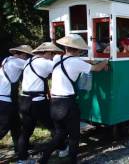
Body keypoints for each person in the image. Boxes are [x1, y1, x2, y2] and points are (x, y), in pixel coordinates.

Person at [38, 34, 107, 164]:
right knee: (74, 136)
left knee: (59, 134)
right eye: (80, 50)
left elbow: (76, 62)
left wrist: (87, 61)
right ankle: (72, 161)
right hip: (67, 104)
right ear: (77, 50)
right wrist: (106, 61)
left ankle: (44, 158)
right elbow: (97, 69)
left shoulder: (58, 57)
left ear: (65, 48)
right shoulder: (76, 62)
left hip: (54, 103)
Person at [17, 42, 64, 163]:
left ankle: (22, 158)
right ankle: (63, 148)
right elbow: (64, 66)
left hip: (23, 100)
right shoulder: (45, 63)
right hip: (37, 102)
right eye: (52, 53)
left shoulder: (29, 61)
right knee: (54, 126)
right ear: (47, 52)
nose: (52, 56)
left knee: (26, 131)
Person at [0, 45, 33, 153]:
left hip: (7, 98)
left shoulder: (7, 60)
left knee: (16, 124)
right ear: (23, 54)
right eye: (26, 55)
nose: (27, 58)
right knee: (4, 126)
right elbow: (32, 66)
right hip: (6, 99)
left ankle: (20, 148)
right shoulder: (17, 62)